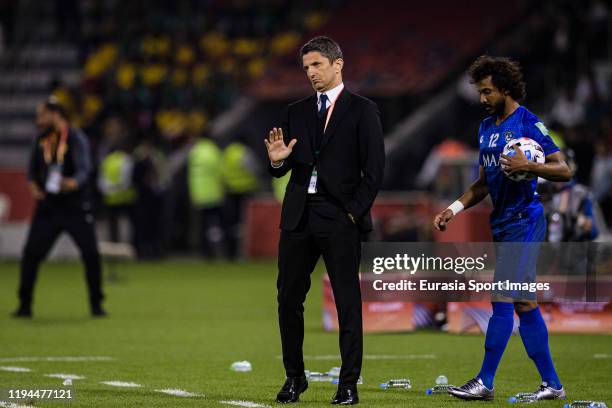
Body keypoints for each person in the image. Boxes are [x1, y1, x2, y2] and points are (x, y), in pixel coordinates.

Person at [433, 56, 572, 401]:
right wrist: (453, 208)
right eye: (480, 92)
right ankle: (552, 385)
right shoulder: (485, 129)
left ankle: (485, 382)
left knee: (503, 296)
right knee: (524, 303)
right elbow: (483, 184)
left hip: (526, 219)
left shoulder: (529, 123)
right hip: (503, 223)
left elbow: (564, 169)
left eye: (487, 92)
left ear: (506, 89)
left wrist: (530, 165)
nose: (481, 99)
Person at [265, 36, 385, 405]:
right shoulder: (296, 110)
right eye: (306, 68)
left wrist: (353, 212)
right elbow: (283, 164)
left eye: (317, 64)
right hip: (299, 217)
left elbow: (375, 170)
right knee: (288, 299)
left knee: (347, 302)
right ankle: (294, 377)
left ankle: (348, 384)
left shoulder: (363, 110)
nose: (311, 73)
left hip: (340, 218)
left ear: (338, 64)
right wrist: (277, 160)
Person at [13, 97, 106, 318]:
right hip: (48, 207)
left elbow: (85, 169)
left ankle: (96, 304)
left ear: (55, 113)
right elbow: (31, 171)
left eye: (42, 114)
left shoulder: (75, 138)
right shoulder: (40, 139)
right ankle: (24, 305)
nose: (38, 120)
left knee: (91, 254)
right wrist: (33, 186)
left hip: (75, 206)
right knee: (31, 254)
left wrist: (72, 183)